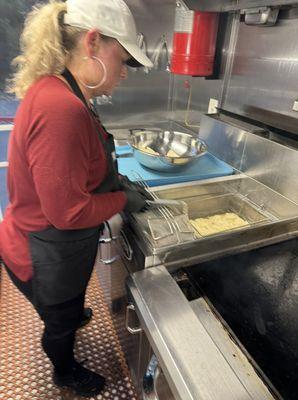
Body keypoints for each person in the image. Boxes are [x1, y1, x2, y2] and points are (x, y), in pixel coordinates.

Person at [0, 0, 153, 397]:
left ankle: (67, 312)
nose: (122, 73)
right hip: (42, 251)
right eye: (122, 60)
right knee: (59, 323)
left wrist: (113, 184)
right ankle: (64, 370)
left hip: (47, 243)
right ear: (93, 42)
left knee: (66, 307)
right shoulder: (60, 108)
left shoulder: (60, 90)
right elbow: (69, 213)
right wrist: (120, 200)